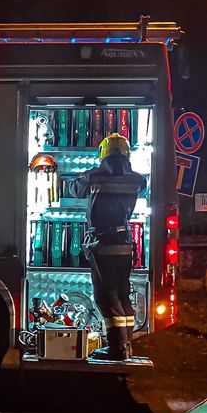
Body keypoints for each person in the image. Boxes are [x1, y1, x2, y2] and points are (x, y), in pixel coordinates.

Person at [66, 133, 147, 361]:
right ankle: (126, 346)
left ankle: (116, 350)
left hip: (102, 244)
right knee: (122, 295)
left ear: (103, 152)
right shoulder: (138, 180)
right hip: (125, 244)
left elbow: (74, 190)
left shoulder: (93, 177)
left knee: (106, 297)